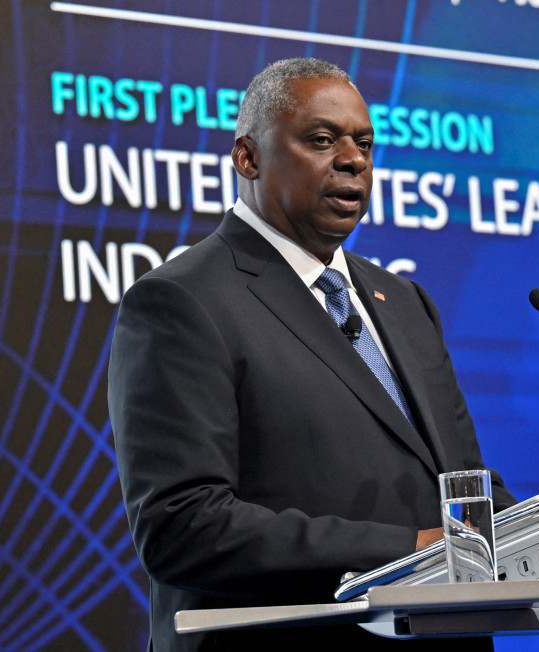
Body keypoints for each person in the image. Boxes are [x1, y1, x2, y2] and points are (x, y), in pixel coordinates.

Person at [108, 57, 516, 651]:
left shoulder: (403, 301)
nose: (353, 160)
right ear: (247, 157)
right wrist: (413, 550)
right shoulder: (181, 301)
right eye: (322, 140)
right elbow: (182, 526)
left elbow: (460, 482)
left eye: (365, 145)